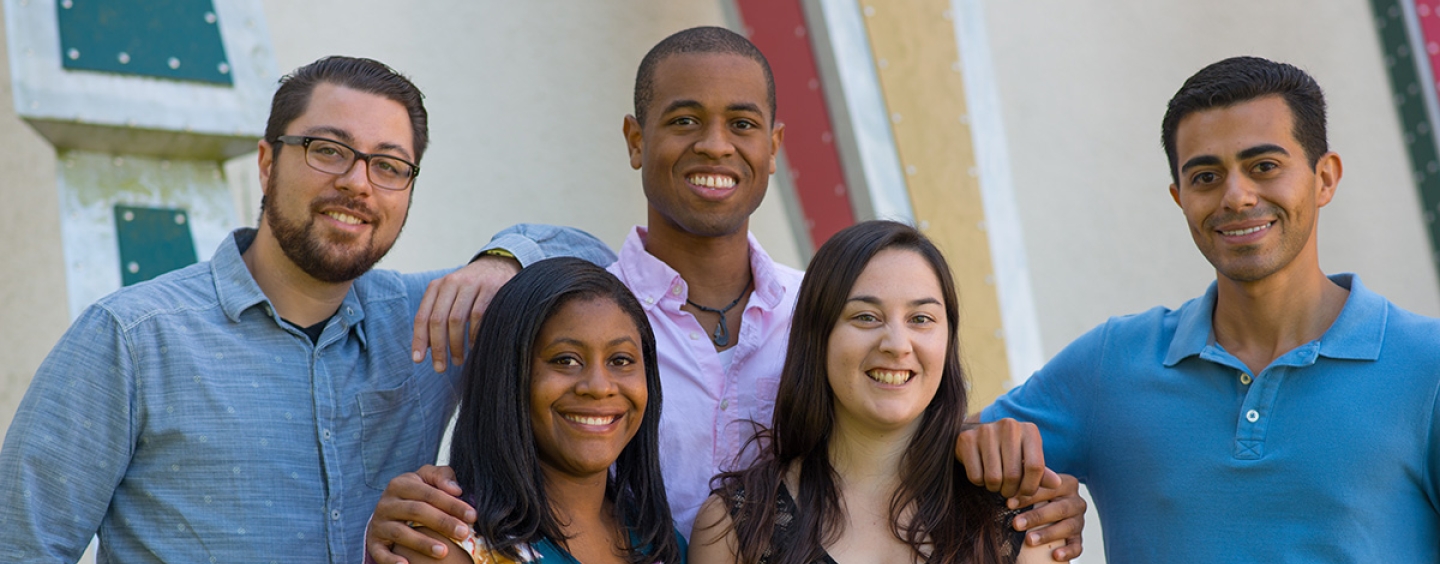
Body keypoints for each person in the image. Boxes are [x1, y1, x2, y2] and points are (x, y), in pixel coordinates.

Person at [373, 27, 1085, 564]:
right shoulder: (589, 320)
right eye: (684, 120)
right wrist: (508, 254)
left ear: (774, 147)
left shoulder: (828, 314)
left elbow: (901, 416)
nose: (715, 145)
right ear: (635, 139)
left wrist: (998, 451)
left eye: (742, 124)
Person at [0, 56, 609, 564]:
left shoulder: (428, 321)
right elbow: (21, 545)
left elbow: (603, 265)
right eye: (328, 150)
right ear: (267, 164)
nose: (358, 183)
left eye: (388, 165)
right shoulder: (132, 338)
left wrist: (502, 263)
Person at [976, 56, 1440, 561]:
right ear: (1179, 198)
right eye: (1205, 176)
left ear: (1324, 178)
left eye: (1264, 166)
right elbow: (925, 457)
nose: (1236, 197)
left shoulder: (1428, 366)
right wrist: (994, 472)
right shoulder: (1111, 364)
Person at [689, 221, 1061, 564]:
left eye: (921, 319)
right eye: (866, 317)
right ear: (817, 337)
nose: (897, 344)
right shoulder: (734, 527)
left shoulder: (1018, 519)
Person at [396, 257, 683, 564]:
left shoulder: (660, 542)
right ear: (508, 375)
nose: (600, 387)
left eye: (620, 360)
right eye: (565, 360)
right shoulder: (444, 542)